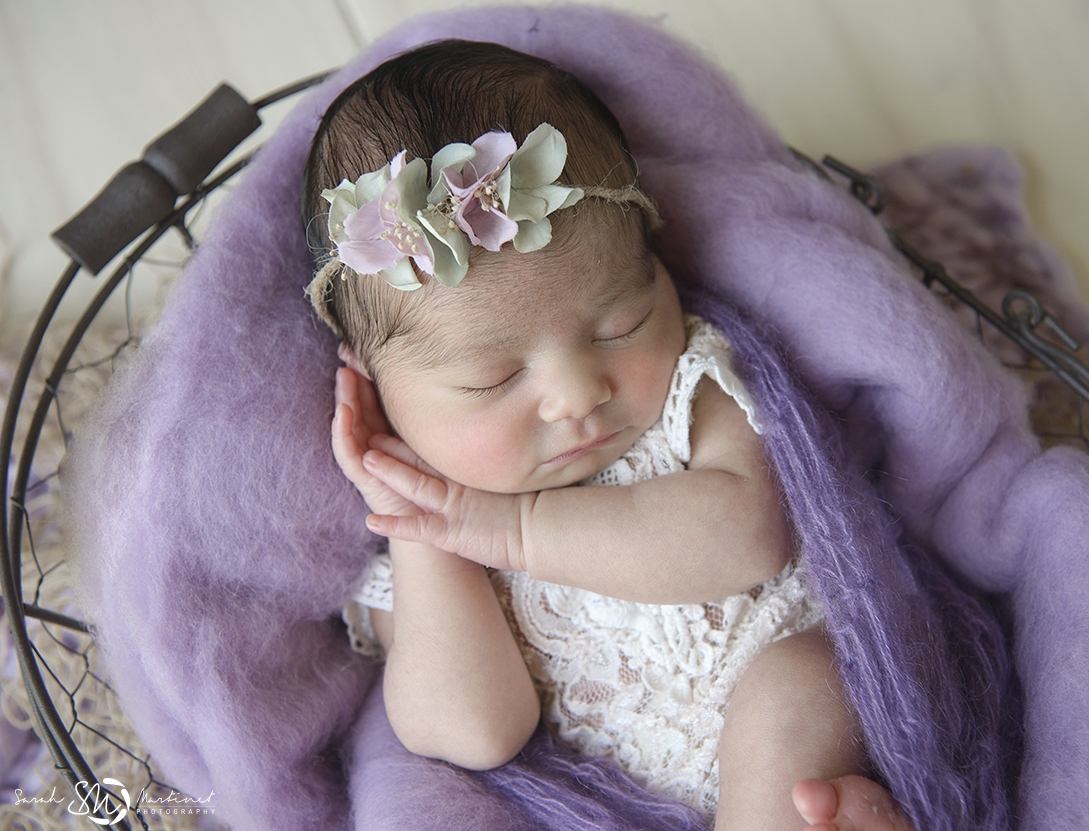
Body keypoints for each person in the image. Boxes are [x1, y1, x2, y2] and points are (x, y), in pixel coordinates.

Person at [301, 39, 911, 831]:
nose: (577, 392)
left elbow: (747, 538)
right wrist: (424, 526)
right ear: (378, 395)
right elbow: (474, 732)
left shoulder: (691, 390)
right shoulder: (428, 538)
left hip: (794, 740)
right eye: (492, 379)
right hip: (614, 811)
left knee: (794, 689)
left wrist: (514, 528)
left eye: (621, 322)